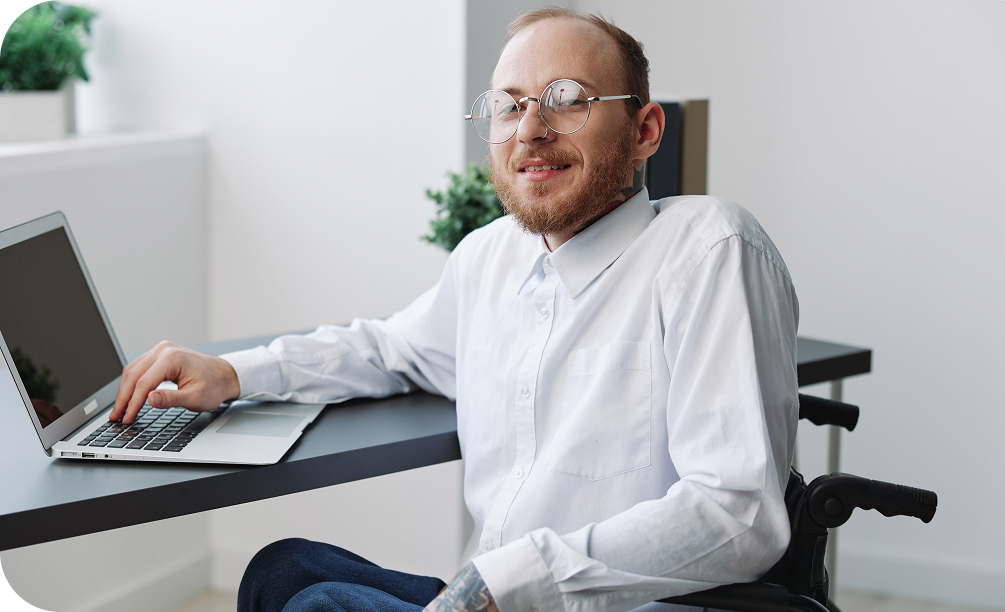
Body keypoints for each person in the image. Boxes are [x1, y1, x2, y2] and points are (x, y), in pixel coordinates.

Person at [110, 8, 799, 612]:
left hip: (602, 605)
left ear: (646, 129)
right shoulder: (489, 257)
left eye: (567, 100)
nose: (531, 129)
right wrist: (233, 373)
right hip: (490, 597)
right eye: (508, 105)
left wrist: (507, 585)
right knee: (279, 568)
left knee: (321, 605)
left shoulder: (708, 249)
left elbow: (736, 516)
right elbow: (386, 350)